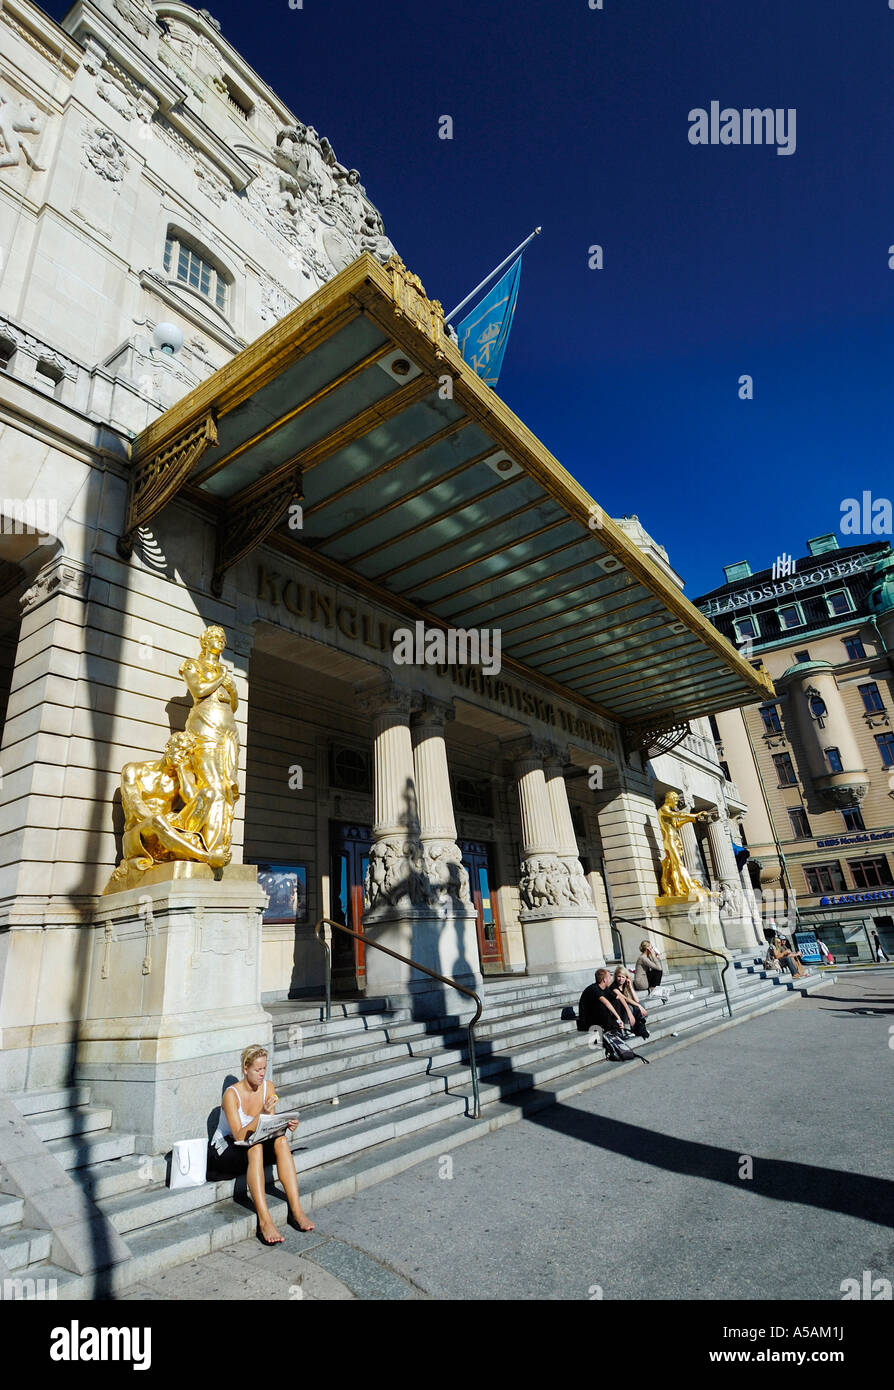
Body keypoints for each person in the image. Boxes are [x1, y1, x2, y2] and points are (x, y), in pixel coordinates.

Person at [209, 1045, 314, 1243]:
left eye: (264, 1068)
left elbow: (269, 1129)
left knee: (281, 1141)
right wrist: (263, 1115)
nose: (262, 1073)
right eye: (257, 1069)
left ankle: (296, 1210)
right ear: (245, 1069)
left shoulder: (268, 1087)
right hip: (225, 1150)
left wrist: (285, 1126)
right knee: (254, 1147)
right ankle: (265, 1221)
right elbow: (240, 1135)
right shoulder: (231, 1095)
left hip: (251, 1142)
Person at [578, 969, 634, 1037]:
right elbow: (606, 1002)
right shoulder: (594, 989)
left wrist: (629, 1012)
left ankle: (621, 1029)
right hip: (588, 1021)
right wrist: (618, 1018)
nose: (611, 979)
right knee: (604, 1005)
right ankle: (612, 1029)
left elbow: (619, 997)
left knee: (616, 1001)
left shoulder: (605, 988)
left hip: (597, 1016)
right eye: (609, 977)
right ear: (604, 980)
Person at [611, 966, 650, 1039]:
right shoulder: (613, 987)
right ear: (615, 976)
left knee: (641, 1003)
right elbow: (625, 999)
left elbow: (637, 1000)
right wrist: (639, 1007)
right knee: (631, 1007)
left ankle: (640, 1025)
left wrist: (630, 987)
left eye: (623, 977)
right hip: (618, 1009)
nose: (620, 979)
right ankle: (627, 1029)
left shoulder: (625, 986)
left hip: (625, 1006)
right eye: (619, 976)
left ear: (626, 978)